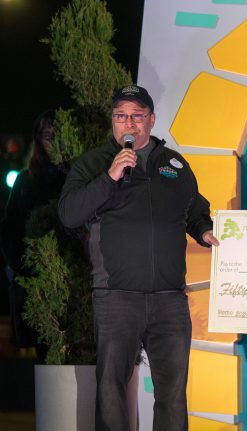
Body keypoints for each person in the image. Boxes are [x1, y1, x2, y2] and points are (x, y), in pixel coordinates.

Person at [58, 84, 218, 431]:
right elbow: (69, 213)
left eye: (136, 116)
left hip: (170, 300)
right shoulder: (95, 163)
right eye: (120, 116)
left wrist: (204, 230)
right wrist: (110, 176)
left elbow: (194, 208)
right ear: (113, 122)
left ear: (151, 120)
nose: (128, 124)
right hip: (117, 297)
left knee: (173, 395)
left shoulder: (173, 163)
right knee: (112, 391)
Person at [0, 110, 66, 359]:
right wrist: (22, 269)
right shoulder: (26, 182)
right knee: (46, 356)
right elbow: (10, 230)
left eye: (54, 134)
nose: (49, 139)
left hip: (73, 283)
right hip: (38, 285)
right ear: (38, 139)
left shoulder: (75, 178)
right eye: (45, 135)